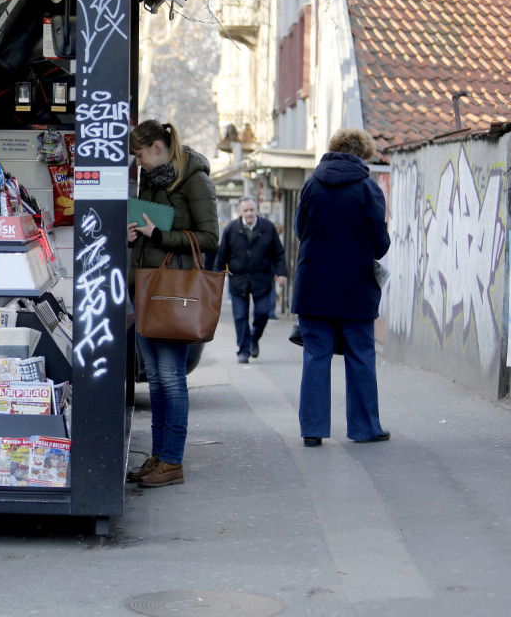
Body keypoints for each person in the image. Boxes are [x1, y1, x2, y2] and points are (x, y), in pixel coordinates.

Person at [126, 119, 219, 488]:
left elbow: (210, 236)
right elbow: (150, 233)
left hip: (173, 292)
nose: (138, 163)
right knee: (157, 382)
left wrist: (160, 235)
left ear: (158, 148)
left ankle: (173, 460)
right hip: (146, 290)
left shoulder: (193, 178)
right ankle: (159, 456)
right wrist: (135, 235)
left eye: (140, 155)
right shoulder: (151, 180)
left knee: (171, 378)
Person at [292, 128, 390, 447]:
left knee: (316, 356)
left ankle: (312, 430)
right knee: (360, 355)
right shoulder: (368, 189)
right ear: (363, 154)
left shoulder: (311, 185)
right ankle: (364, 428)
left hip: (313, 284)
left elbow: (299, 229)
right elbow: (380, 244)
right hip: (355, 287)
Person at [213, 196, 287, 363]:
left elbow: (278, 253)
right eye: (245, 210)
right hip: (238, 279)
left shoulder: (267, 227)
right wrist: (216, 278)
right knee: (240, 317)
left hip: (261, 279)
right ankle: (243, 350)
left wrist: (281, 273)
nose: (249, 213)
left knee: (262, 313)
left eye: (252, 210)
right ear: (240, 212)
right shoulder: (231, 229)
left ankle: (254, 339)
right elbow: (221, 255)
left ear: (257, 210)